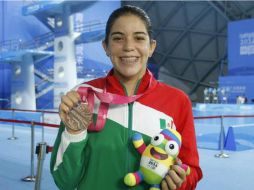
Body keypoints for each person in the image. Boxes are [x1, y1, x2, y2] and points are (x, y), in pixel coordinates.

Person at [50, 5, 202, 190]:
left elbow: (192, 170)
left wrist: (180, 181)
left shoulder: (177, 101)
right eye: (118, 38)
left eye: (139, 38)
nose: (129, 47)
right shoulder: (83, 95)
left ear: (151, 46)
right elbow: (64, 181)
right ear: (106, 47)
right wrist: (74, 133)